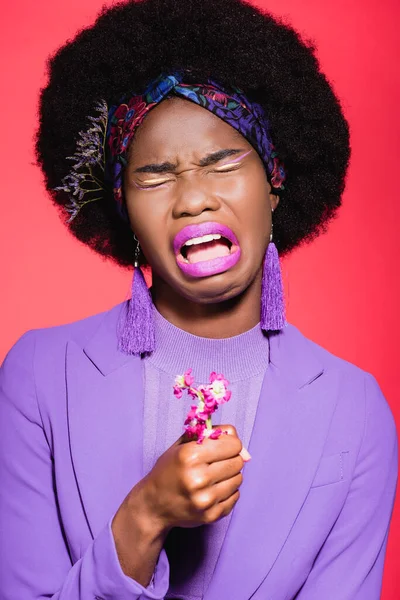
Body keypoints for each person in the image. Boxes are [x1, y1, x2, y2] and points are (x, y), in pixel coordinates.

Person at [0, 0, 397, 598]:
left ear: (275, 183)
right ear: (124, 210)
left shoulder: (357, 412)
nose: (193, 199)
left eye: (222, 162)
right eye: (156, 174)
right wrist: (146, 515)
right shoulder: (36, 377)